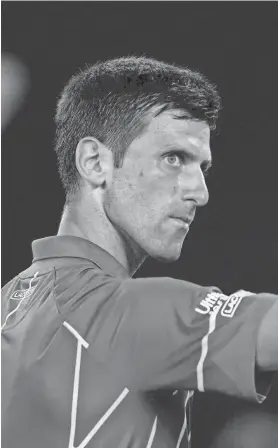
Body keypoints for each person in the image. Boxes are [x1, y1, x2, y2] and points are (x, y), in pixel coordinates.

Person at [1, 56, 277, 448]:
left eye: (203, 167)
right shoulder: (116, 313)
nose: (200, 192)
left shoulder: (11, 308)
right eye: (173, 158)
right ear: (95, 162)